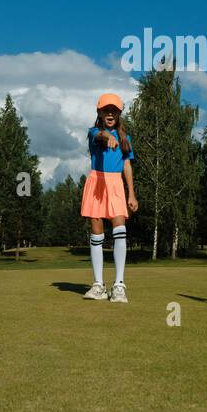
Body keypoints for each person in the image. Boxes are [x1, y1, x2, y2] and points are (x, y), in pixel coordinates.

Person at [79, 93, 139, 302]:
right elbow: (100, 136)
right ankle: (98, 286)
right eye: (106, 110)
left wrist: (131, 193)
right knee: (97, 232)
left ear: (119, 114)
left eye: (114, 110)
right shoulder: (93, 132)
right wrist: (108, 136)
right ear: (99, 112)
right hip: (97, 182)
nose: (110, 113)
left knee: (119, 229)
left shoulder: (126, 139)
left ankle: (119, 285)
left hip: (115, 185)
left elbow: (127, 166)